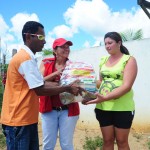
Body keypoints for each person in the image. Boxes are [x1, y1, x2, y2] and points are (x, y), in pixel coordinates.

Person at [0, 21, 80, 150]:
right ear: (28, 37)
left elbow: (40, 83)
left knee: (66, 143)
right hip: (18, 120)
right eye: (41, 37)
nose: (44, 41)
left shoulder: (29, 58)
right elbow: (40, 89)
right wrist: (67, 87)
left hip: (26, 119)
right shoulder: (25, 59)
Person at [85, 32, 138, 150]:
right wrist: (84, 84)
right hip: (103, 107)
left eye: (110, 43)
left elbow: (127, 86)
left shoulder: (129, 60)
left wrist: (105, 97)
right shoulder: (103, 60)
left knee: (122, 141)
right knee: (107, 140)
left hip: (123, 107)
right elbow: (101, 82)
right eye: (105, 44)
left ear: (119, 43)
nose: (107, 46)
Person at [39, 38, 79, 150]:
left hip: (68, 110)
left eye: (68, 46)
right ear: (55, 50)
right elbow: (38, 82)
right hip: (49, 109)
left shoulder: (73, 66)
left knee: (66, 144)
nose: (67, 49)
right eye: (63, 46)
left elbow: (78, 86)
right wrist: (55, 74)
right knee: (48, 145)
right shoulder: (45, 63)